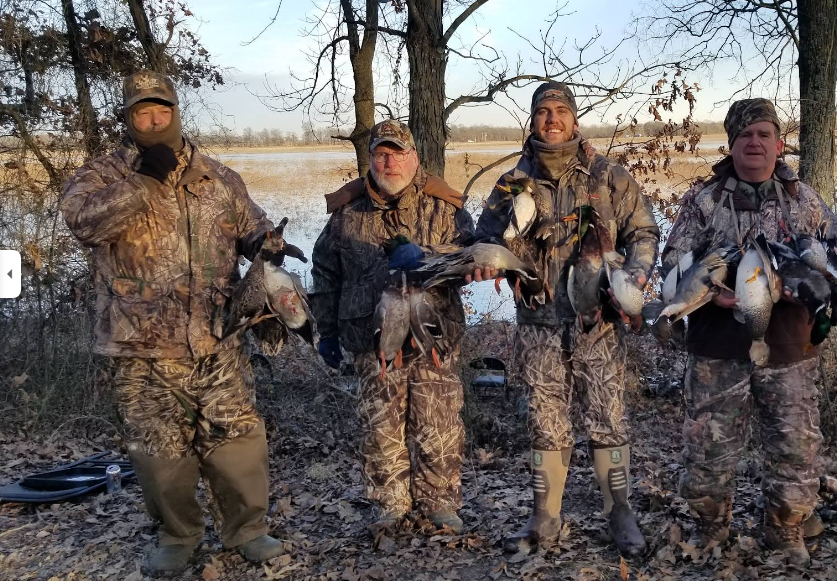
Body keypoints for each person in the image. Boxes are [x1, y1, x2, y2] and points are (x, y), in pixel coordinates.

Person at [60, 70, 285, 575]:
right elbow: (83, 225)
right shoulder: (103, 174)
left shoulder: (219, 177)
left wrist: (266, 245)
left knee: (238, 439)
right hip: (140, 345)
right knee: (160, 450)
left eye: (162, 109)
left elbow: (252, 226)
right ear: (128, 117)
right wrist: (143, 181)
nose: (154, 119)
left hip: (216, 337)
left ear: (176, 111)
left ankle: (247, 529)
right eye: (143, 111)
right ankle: (178, 535)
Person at [475, 82, 660, 558]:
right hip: (538, 323)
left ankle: (619, 511)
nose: (551, 118)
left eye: (560, 111)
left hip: (598, 323)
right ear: (532, 121)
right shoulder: (511, 183)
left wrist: (636, 276)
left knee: (607, 417)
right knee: (545, 421)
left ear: (575, 121)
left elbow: (643, 231)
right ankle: (546, 515)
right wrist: (486, 260)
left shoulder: (609, 176)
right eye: (542, 111)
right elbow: (484, 237)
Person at [661, 98, 837, 565]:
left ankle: (786, 529)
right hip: (717, 348)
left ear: (779, 144)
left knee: (794, 448)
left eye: (764, 134)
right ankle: (709, 528)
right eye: (746, 135)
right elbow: (672, 261)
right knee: (707, 451)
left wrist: (812, 288)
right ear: (732, 143)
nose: (755, 142)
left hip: (789, 347)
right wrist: (707, 291)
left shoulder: (806, 200)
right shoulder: (703, 202)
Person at [311, 120, 474, 534]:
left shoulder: (445, 207)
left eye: (398, 153)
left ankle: (440, 503)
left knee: (438, 423)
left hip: (432, 336)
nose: (390, 161)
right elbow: (326, 273)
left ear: (414, 157)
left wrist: (428, 255)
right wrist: (325, 331)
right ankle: (390, 505)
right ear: (370, 159)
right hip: (372, 339)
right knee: (380, 426)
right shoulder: (347, 212)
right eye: (382, 153)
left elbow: (471, 257)